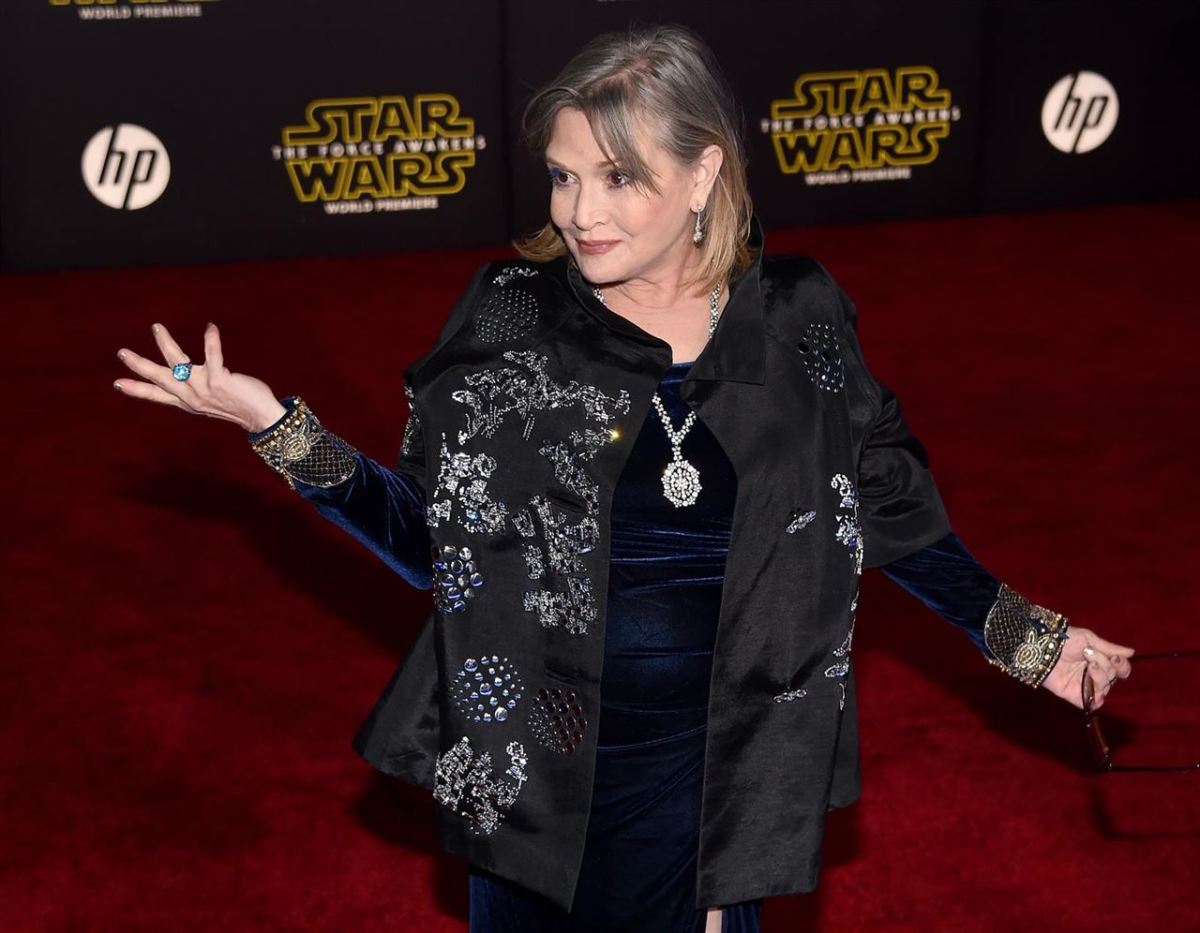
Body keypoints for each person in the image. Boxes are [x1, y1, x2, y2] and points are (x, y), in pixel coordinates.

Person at [114, 23, 1135, 933]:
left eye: (616, 178)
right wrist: (278, 428)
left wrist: (1033, 642)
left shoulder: (797, 318)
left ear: (702, 173)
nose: (579, 213)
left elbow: (889, 511)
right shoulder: (512, 320)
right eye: (563, 178)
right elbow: (438, 547)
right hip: (535, 769)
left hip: (713, 769)